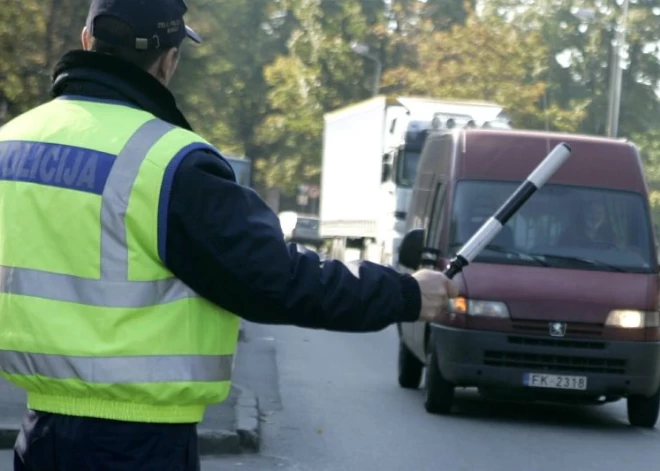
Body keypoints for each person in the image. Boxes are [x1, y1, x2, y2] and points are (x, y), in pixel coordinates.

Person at [0, 0, 458, 470]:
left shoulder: (11, 144)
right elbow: (276, 278)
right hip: (137, 445)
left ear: (86, 39)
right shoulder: (168, 162)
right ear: (168, 60)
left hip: (38, 439)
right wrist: (404, 293)